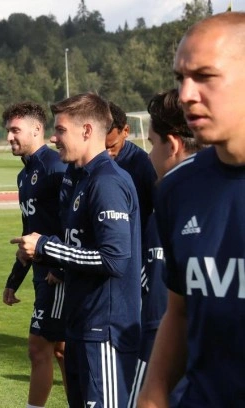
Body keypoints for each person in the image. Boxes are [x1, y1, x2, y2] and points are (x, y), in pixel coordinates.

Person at [137, 12, 245, 408]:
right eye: (181, 77)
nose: (185, 94)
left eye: (204, 76)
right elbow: (180, 311)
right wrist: (153, 394)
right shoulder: (177, 189)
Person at [11, 93, 141, 408]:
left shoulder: (107, 182)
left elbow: (114, 259)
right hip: (81, 325)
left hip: (104, 331)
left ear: (86, 131)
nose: (53, 138)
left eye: (60, 130)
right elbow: (78, 246)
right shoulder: (79, 178)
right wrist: (43, 253)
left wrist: (46, 246)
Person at [127, 90, 205, 406]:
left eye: (151, 144)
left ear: (172, 145)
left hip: (160, 348)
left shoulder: (171, 200)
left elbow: (166, 313)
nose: (149, 157)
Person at [1, 102, 67, 408]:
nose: (9, 137)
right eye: (8, 131)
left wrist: (62, 268)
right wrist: (14, 280)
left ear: (37, 129)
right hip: (43, 273)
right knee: (61, 350)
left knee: (39, 347)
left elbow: (73, 223)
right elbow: (29, 233)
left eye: (15, 130)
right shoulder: (23, 176)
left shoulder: (56, 167)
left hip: (58, 276)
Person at [106, 101, 157, 231]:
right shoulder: (90, 162)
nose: (107, 153)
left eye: (112, 146)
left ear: (126, 131)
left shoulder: (143, 163)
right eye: (102, 147)